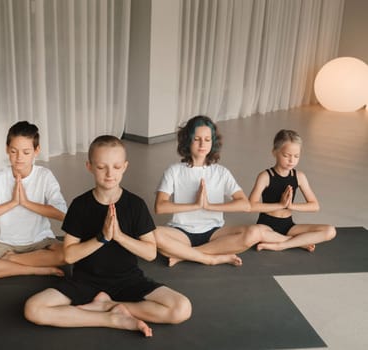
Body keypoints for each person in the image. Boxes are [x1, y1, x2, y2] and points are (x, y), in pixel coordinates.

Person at [24, 135, 191, 337]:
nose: (110, 173)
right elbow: (68, 256)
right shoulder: (80, 205)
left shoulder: (135, 205)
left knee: (182, 308)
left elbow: (149, 253)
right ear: (90, 167)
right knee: (33, 309)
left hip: (128, 281)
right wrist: (102, 238)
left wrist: (119, 236)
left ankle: (109, 305)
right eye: (102, 167)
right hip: (85, 283)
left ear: (125, 166)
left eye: (116, 166)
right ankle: (110, 318)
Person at [153, 115, 287, 267]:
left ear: (213, 142)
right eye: (197, 139)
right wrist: (196, 205)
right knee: (151, 234)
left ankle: (185, 254)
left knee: (255, 232)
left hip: (215, 233)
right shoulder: (174, 171)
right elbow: (160, 207)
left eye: (207, 139)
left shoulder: (221, 172)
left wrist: (209, 206)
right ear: (187, 140)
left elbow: (244, 204)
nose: (202, 144)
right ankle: (210, 258)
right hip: (181, 232)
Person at [0, 121, 67, 279]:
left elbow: (63, 214)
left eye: (26, 152)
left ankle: (12, 260)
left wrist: (26, 203)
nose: (19, 158)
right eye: (14, 151)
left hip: (41, 241)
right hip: (5, 243)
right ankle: (35, 269)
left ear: (36, 151)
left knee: (68, 254)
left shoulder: (44, 176)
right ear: (7, 150)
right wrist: (12, 203)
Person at [248, 129, 336, 251]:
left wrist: (290, 206)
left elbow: (315, 206)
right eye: (286, 156)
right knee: (254, 233)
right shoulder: (265, 176)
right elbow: (251, 206)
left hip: (289, 226)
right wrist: (280, 205)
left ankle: (281, 244)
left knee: (330, 231)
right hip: (266, 226)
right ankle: (297, 242)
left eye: (296, 156)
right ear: (275, 152)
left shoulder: (299, 176)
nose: (292, 160)